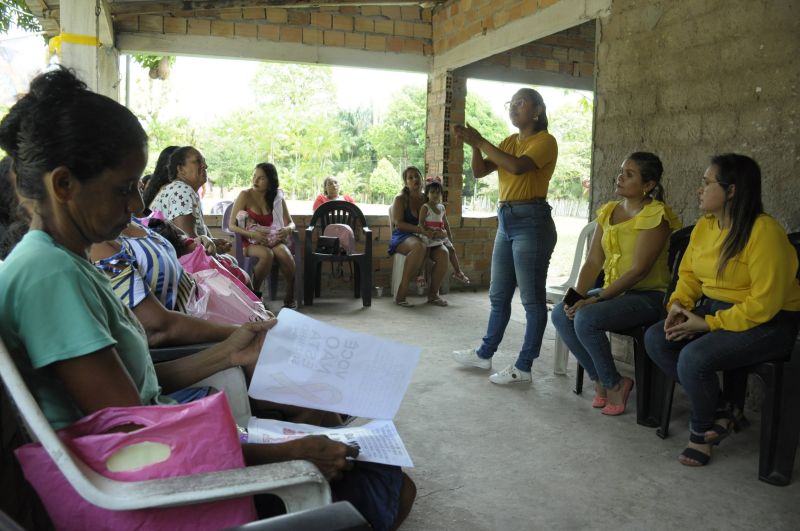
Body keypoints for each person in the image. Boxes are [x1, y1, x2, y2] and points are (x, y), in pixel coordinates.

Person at [0, 68, 414, 529]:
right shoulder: (50, 276)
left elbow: (137, 390)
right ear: (64, 186)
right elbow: (137, 429)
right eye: (124, 189)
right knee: (387, 485)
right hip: (153, 490)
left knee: (353, 450)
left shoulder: (63, 263)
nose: (137, 206)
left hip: (161, 460)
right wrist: (287, 454)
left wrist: (226, 350)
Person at [644, 153, 800, 467]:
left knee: (694, 357)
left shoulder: (764, 231)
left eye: (706, 183)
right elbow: (688, 275)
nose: (699, 189)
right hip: (717, 310)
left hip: (770, 321)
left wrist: (708, 324)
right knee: (656, 339)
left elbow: (764, 304)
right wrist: (679, 305)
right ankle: (722, 411)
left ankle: (702, 433)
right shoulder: (706, 226)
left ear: (732, 191)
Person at [551, 153, 680, 414]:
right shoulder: (609, 211)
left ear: (648, 185)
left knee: (586, 318)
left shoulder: (656, 215)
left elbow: (638, 271)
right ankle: (601, 379)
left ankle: (615, 384)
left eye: (629, 174)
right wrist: (576, 296)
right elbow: (593, 262)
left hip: (648, 297)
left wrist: (597, 299)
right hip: (615, 294)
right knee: (561, 313)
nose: (620, 177)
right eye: (621, 171)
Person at [451, 88, 558, 385]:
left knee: (532, 301)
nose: (513, 108)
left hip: (532, 222)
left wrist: (480, 140)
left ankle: (523, 367)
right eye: (511, 104)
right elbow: (480, 171)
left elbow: (517, 167)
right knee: (498, 295)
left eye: (520, 103)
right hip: (507, 221)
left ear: (537, 110)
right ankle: (484, 354)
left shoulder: (545, 141)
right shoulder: (510, 141)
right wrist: (474, 146)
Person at [228, 163, 297, 307]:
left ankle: (290, 292)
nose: (255, 180)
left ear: (271, 181)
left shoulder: (277, 197)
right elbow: (232, 225)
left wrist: (287, 230)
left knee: (285, 254)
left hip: (272, 239)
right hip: (250, 242)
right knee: (267, 255)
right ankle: (256, 293)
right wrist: (252, 234)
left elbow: (291, 223)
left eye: (261, 178)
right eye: (254, 176)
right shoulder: (245, 195)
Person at [148, 145, 232, 256]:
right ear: (181, 169)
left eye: (204, 162)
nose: (205, 166)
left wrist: (214, 243)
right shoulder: (182, 190)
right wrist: (214, 250)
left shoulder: (181, 189)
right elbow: (189, 244)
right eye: (198, 161)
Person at [389, 166, 449, 307]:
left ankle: (433, 295)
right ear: (406, 182)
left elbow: (440, 219)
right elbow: (398, 224)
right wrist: (421, 230)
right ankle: (401, 296)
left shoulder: (427, 198)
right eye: (410, 177)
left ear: (422, 179)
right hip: (403, 236)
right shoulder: (400, 199)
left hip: (426, 236)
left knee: (443, 253)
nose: (415, 179)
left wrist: (442, 232)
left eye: (417, 176)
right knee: (419, 247)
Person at [417, 177, 469, 284]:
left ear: (441, 194)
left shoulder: (441, 208)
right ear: (427, 194)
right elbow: (421, 223)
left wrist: (449, 235)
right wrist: (426, 232)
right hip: (429, 234)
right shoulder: (425, 207)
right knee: (425, 252)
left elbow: (445, 223)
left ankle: (458, 272)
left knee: (452, 250)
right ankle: (420, 275)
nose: (435, 195)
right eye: (432, 192)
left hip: (440, 235)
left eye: (438, 192)